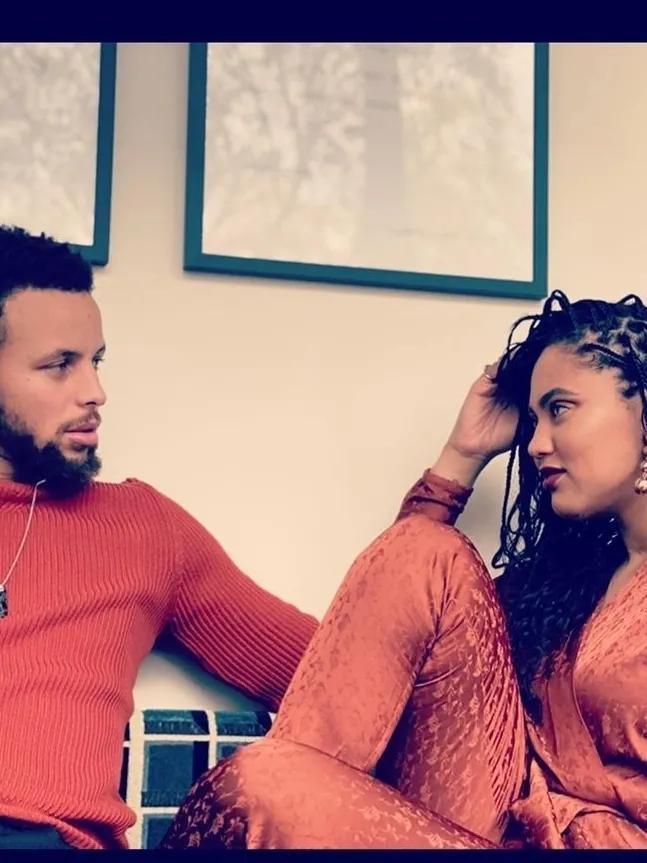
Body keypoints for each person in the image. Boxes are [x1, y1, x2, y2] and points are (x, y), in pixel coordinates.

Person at [163, 290, 647, 850]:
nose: (536, 444)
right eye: (532, 421)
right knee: (269, 783)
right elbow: (404, 599)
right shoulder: (569, 584)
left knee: (266, 784)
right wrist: (461, 456)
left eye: (560, 409)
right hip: (491, 834)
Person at [0, 224, 322, 850]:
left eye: (94, 362)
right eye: (59, 366)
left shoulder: (141, 529)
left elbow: (336, 678)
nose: (95, 393)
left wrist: (452, 472)